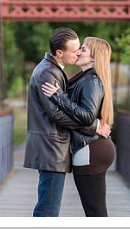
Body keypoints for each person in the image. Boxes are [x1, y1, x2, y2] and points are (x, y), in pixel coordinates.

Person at [24, 27, 111, 217]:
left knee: (87, 210)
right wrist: (95, 126)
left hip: (79, 148)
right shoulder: (50, 72)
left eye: (82, 49)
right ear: (59, 53)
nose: (79, 52)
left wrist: (60, 97)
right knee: (48, 209)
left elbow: (82, 112)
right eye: (76, 50)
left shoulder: (88, 80)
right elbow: (57, 115)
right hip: (52, 148)